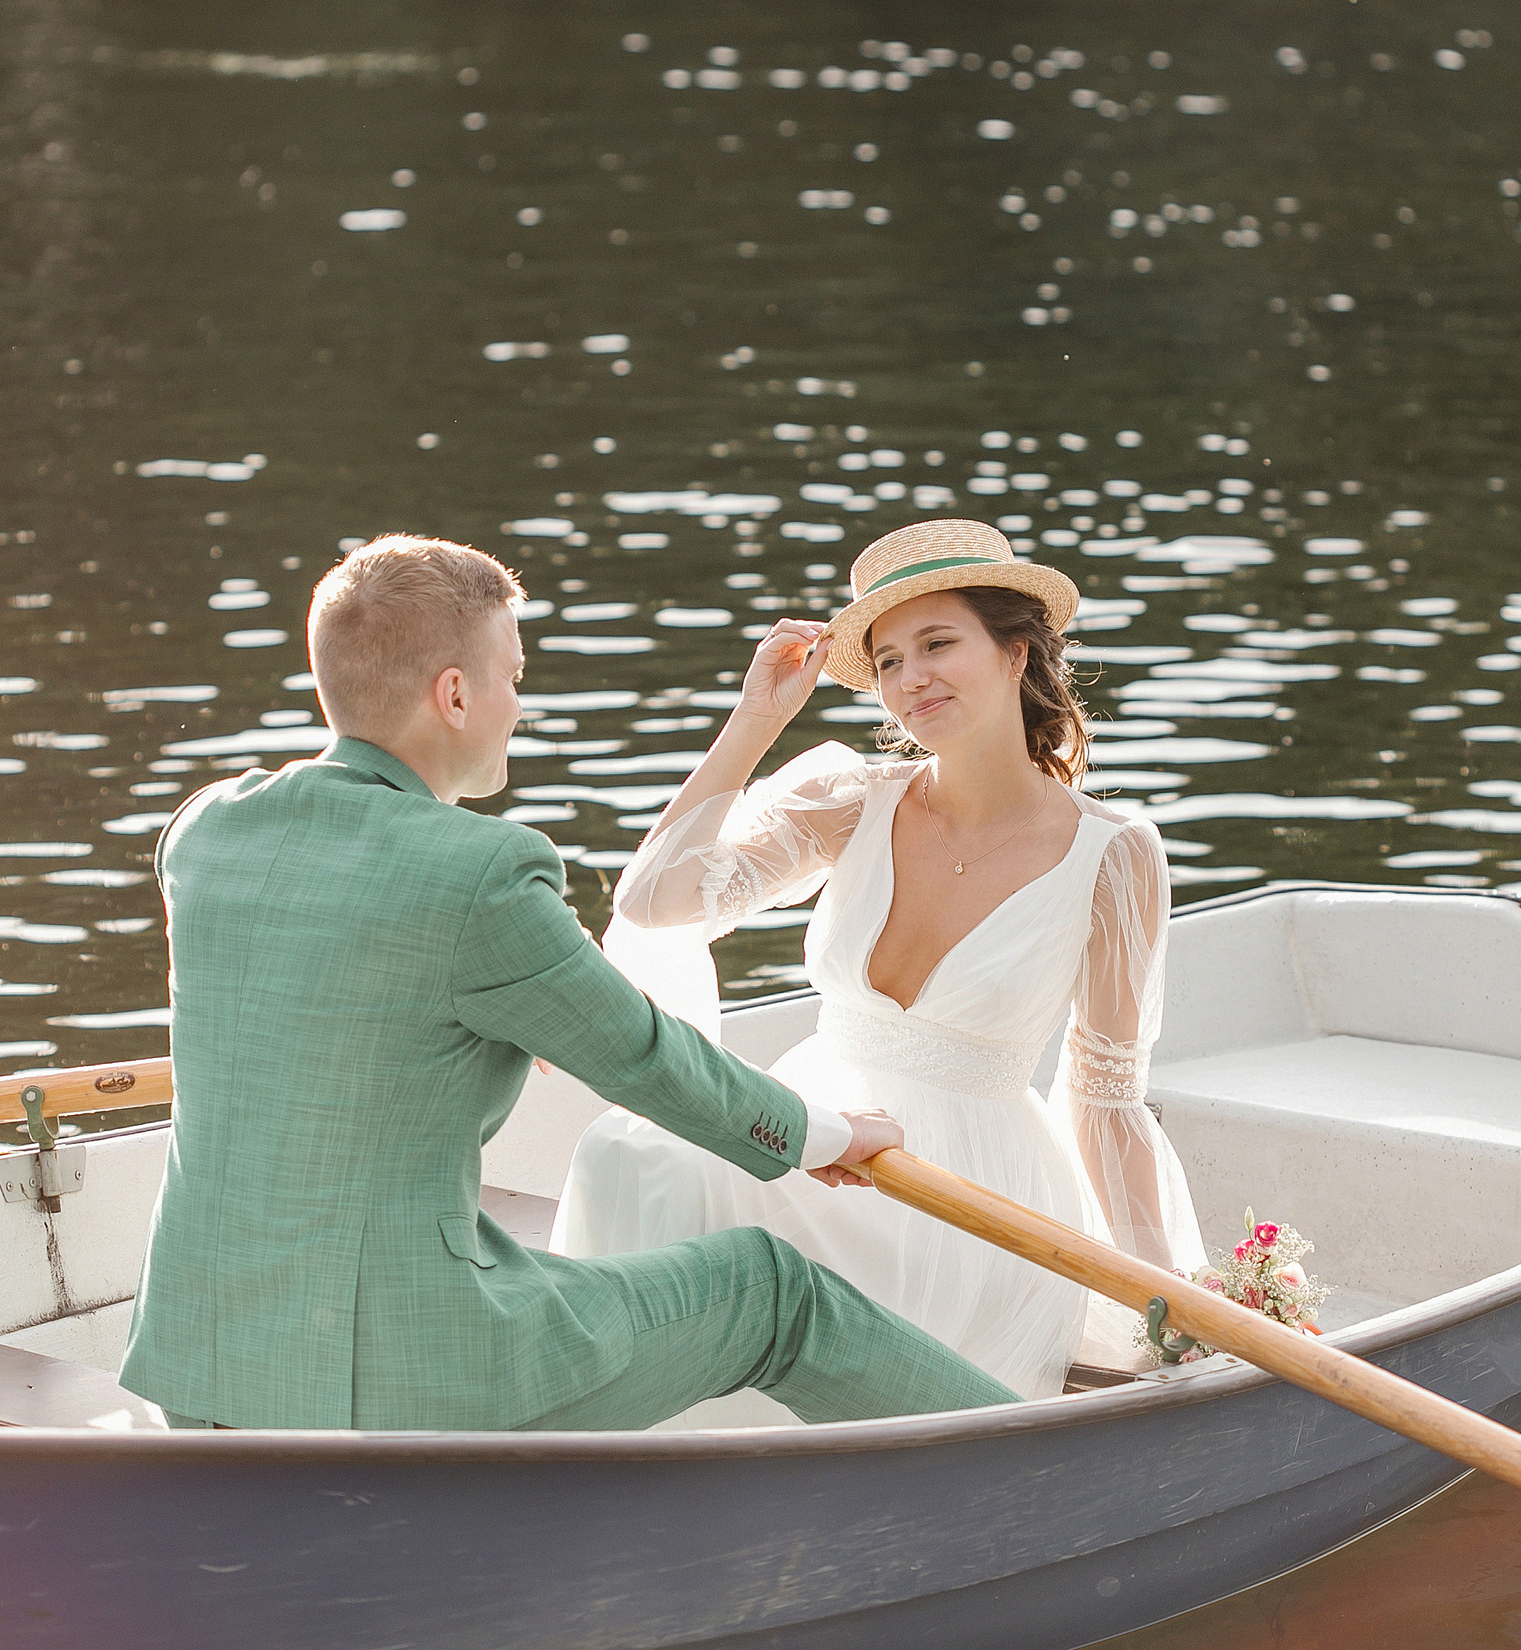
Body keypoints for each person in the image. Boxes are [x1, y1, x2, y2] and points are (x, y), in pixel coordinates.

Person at [119, 534, 1017, 1432]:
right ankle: (1032, 1466)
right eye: (512, 677)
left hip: (199, 1358)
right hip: (403, 1368)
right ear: (456, 694)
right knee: (772, 1288)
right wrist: (826, 1135)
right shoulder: (484, 871)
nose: (519, 705)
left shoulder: (206, 832)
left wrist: (518, 1008)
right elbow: (645, 1058)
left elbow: (339, 963)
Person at [554, 519, 1209, 1415]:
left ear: (1016, 651)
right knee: (628, 1153)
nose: (912, 680)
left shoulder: (1115, 854)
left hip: (973, 1194)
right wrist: (755, 721)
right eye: (890, 661)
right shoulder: (849, 800)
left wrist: (1158, 1287)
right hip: (821, 1137)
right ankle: (602, 1436)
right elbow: (654, 898)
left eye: (938, 643)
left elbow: (1105, 1094)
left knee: (671, 1182)